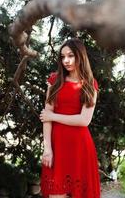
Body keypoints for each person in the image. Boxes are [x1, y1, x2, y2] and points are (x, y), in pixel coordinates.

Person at [39, 38, 100, 198]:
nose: (66, 60)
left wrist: (52, 115)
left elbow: (84, 120)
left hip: (80, 148)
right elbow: (46, 119)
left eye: (71, 55)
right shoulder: (54, 80)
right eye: (62, 56)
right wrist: (47, 149)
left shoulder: (90, 84)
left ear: (80, 56)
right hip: (56, 147)